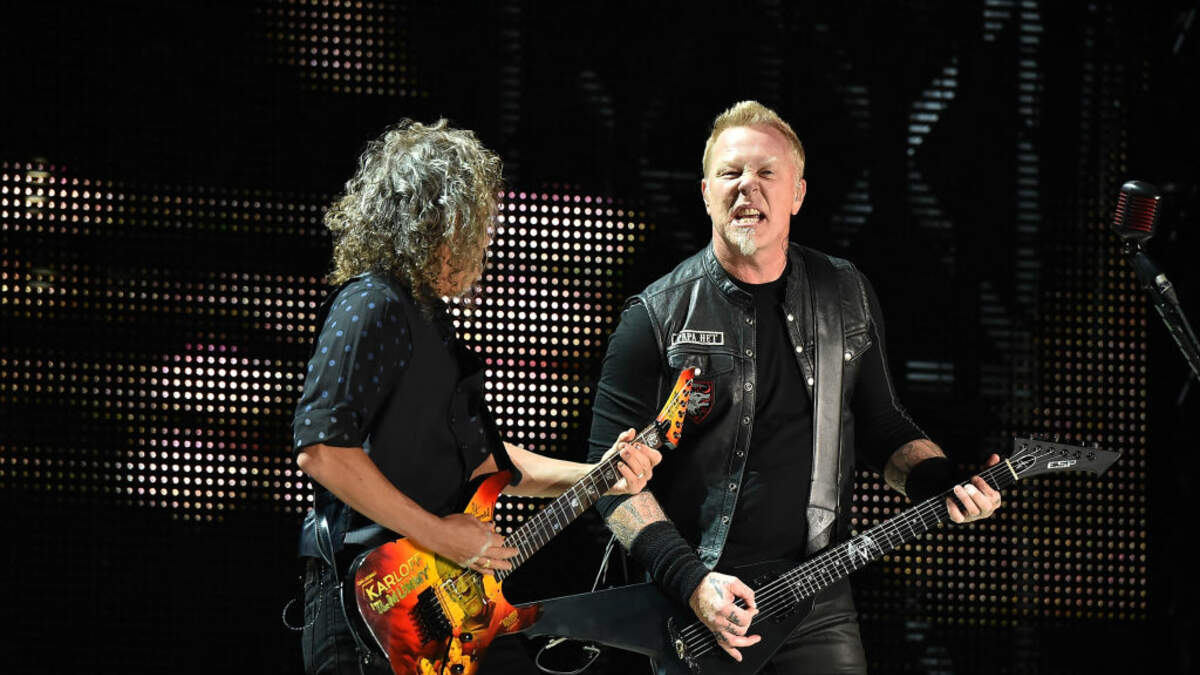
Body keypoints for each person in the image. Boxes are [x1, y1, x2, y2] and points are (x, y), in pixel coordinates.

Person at [587, 100, 1001, 673]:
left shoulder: (845, 291)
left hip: (817, 597)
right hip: (698, 602)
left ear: (798, 194)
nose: (747, 187)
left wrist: (943, 482)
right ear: (706, 193)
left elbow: (881, 426)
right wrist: (692, 582)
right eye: (730, 173)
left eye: (766, 173)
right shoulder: (656, 316)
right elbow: (606, 481)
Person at [293, 119, 662, 675]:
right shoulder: (371, 303)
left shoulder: (431, 324)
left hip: (438, 607)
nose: (487, 241)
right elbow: (322, 450)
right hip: (372, 604)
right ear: (442, 219)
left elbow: (488, 464)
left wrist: (598, 475)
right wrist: (442, 534)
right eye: (481, 222)